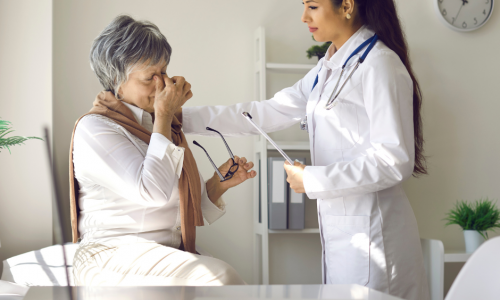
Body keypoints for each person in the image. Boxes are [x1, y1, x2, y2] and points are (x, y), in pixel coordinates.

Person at [178, 0, 430, 299]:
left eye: (312, 6)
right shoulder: (327, 68)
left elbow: (394, 160)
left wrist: (312, 180)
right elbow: (263, 112)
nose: (303, 17)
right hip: (344, 232)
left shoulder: (380, 64)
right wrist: (178, 118)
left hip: (375, 235)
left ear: (347, 5)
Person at [70, 15, 256, 286]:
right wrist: (165, 115)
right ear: (117, 81)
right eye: (150, 77)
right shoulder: (95, 129)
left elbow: (179, 214)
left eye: (164, 72)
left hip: (159, 250)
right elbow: (153, 193)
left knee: (226, 278)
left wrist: (218, 184)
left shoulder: (154, 126)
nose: (163, 84)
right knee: (221, 277)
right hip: (110, 254)